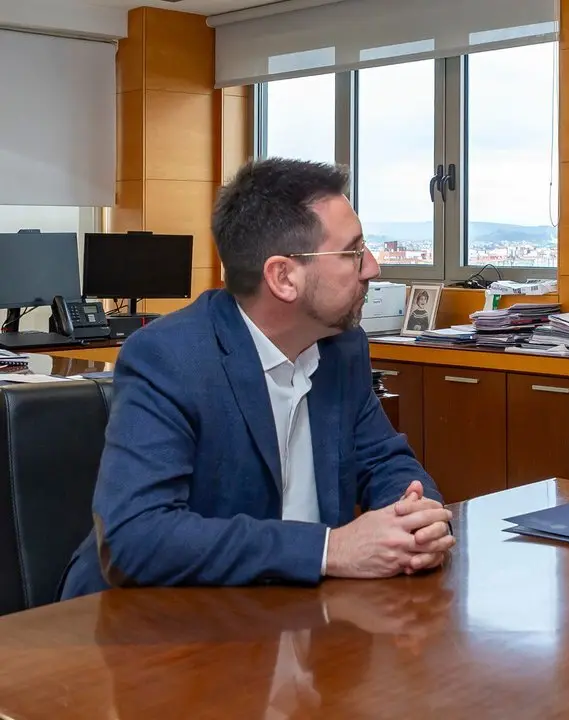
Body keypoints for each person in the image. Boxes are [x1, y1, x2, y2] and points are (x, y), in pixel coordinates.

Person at [60, 158, 454, 599]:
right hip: (155, 627)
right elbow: (134, 537)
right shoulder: (169, 358)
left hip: (296, 615)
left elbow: (384, 460)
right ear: (283, 277)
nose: (373, 268)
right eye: (353, 252)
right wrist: (330, 549)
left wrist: (416, 516)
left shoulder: (343, 347)